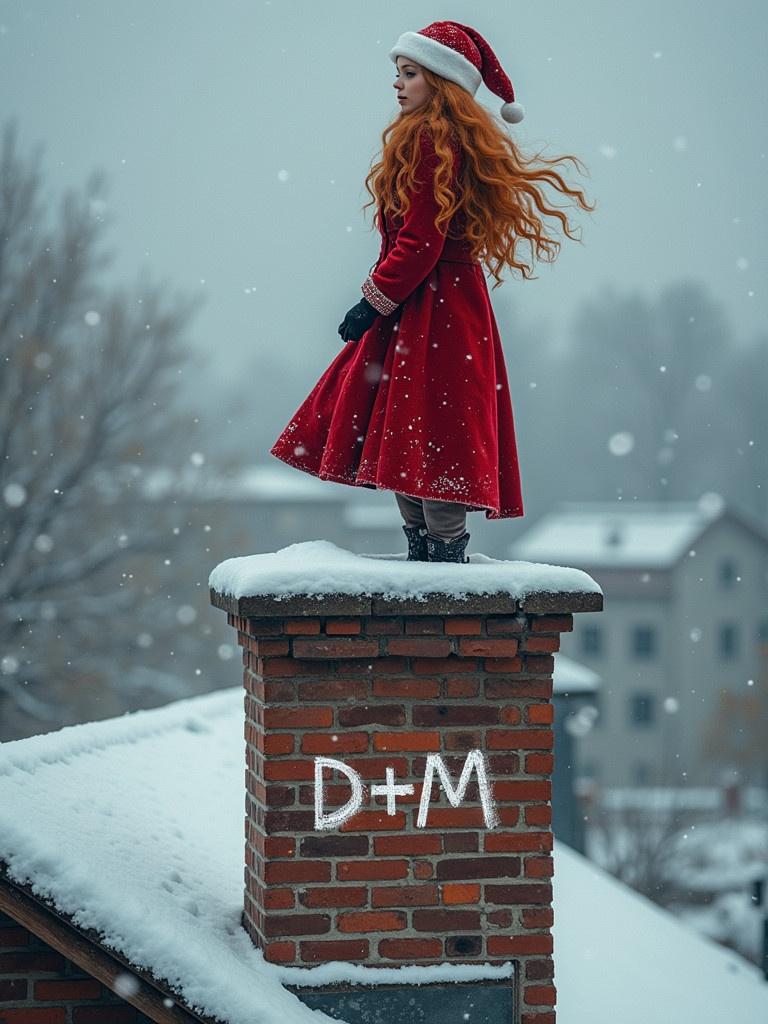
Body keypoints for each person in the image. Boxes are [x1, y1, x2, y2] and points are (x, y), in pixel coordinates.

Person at [270, 20, 594, 563]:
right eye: (397, 73)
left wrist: (372, 302)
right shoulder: (439, 138)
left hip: (432, 305)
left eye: (410, 73)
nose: (398, 84)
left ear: (441, 81)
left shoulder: (430, 139)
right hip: (439, 304)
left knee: (423, 430)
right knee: (420, 430)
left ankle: (440, 568)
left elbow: (421, 241)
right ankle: (434, 562)